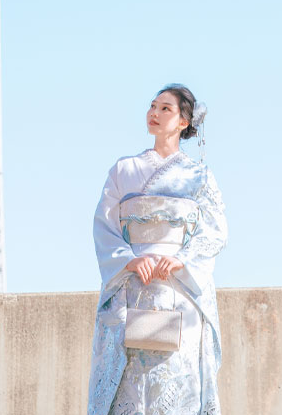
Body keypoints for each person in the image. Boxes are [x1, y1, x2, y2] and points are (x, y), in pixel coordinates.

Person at [87, 83, 227, 415]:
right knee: (130, 389)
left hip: (178, 291)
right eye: (152, 106)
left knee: (177, 386)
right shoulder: (122, 170)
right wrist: (130, 260)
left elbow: (215, 231)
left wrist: (180, 261)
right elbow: (104, 227)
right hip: (131, 290)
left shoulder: (199, 176)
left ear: (183, 121)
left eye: (166, 108)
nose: (155, 113)